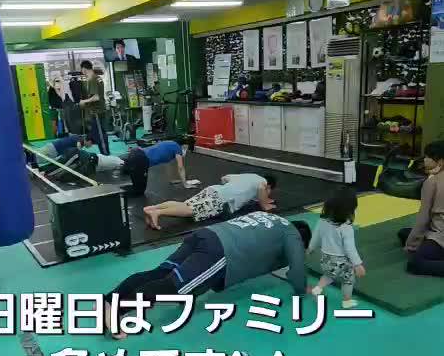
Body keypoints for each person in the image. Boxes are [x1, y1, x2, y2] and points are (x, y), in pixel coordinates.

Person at [103, 213, 311, 336]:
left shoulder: (273, 219)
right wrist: (303, 289)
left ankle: (110, 299)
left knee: (161, 273)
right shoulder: (292, 234)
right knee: (173, 288)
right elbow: (297, 270)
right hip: (220, 251)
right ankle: (115, 311)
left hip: (205, 234)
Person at [143, 172, 276, 230]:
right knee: (191, 210)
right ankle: (157, 213)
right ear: (269, 186)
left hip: (214, 190)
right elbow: (261, 189)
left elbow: (225, 178)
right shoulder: (262, 182)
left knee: (185, 205)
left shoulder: (250, 176)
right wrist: (265, 205)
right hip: (222, 199)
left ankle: (153, 208)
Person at [307, 188, 365, 309]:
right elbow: (350, 249)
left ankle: (317, 289)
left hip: (326, 259)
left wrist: (311, 248)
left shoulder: (323, 221)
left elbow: (316, 236)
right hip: (341, 262)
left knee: (328, 275)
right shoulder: (346, 228)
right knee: (348, 279)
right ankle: (347, 301)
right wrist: (357, 264)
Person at [398, 140, 444, 276]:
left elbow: (423, 219)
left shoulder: (432, 182)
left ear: (440, 161)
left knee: (415, 263)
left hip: (441, 235)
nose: (424, 159)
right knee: (404, 233)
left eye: (428, 157)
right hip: (438, 231)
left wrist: (411, 246)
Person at [121, 138, 193, 196]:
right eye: (187, 149)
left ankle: (126, 171)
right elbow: (180, 167)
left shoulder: (170, 143)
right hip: (140, 159)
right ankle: (118, 194)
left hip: (135, 152)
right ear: (185, 145)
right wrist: (185, 184)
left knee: (130, 173)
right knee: (139, 191)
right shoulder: (178, 148)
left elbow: (169, 165)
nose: (186, 151)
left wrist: (173, 179)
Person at [78, 61, 110, 155]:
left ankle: (106, 155)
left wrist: (84, 101)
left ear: (84, 69)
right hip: (99, 111)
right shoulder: (98, 78)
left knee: (101, 136)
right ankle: (92, 143)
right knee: (98, 134)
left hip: (97, 112)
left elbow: (96, 97)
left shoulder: (92, 79)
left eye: (82, 70)